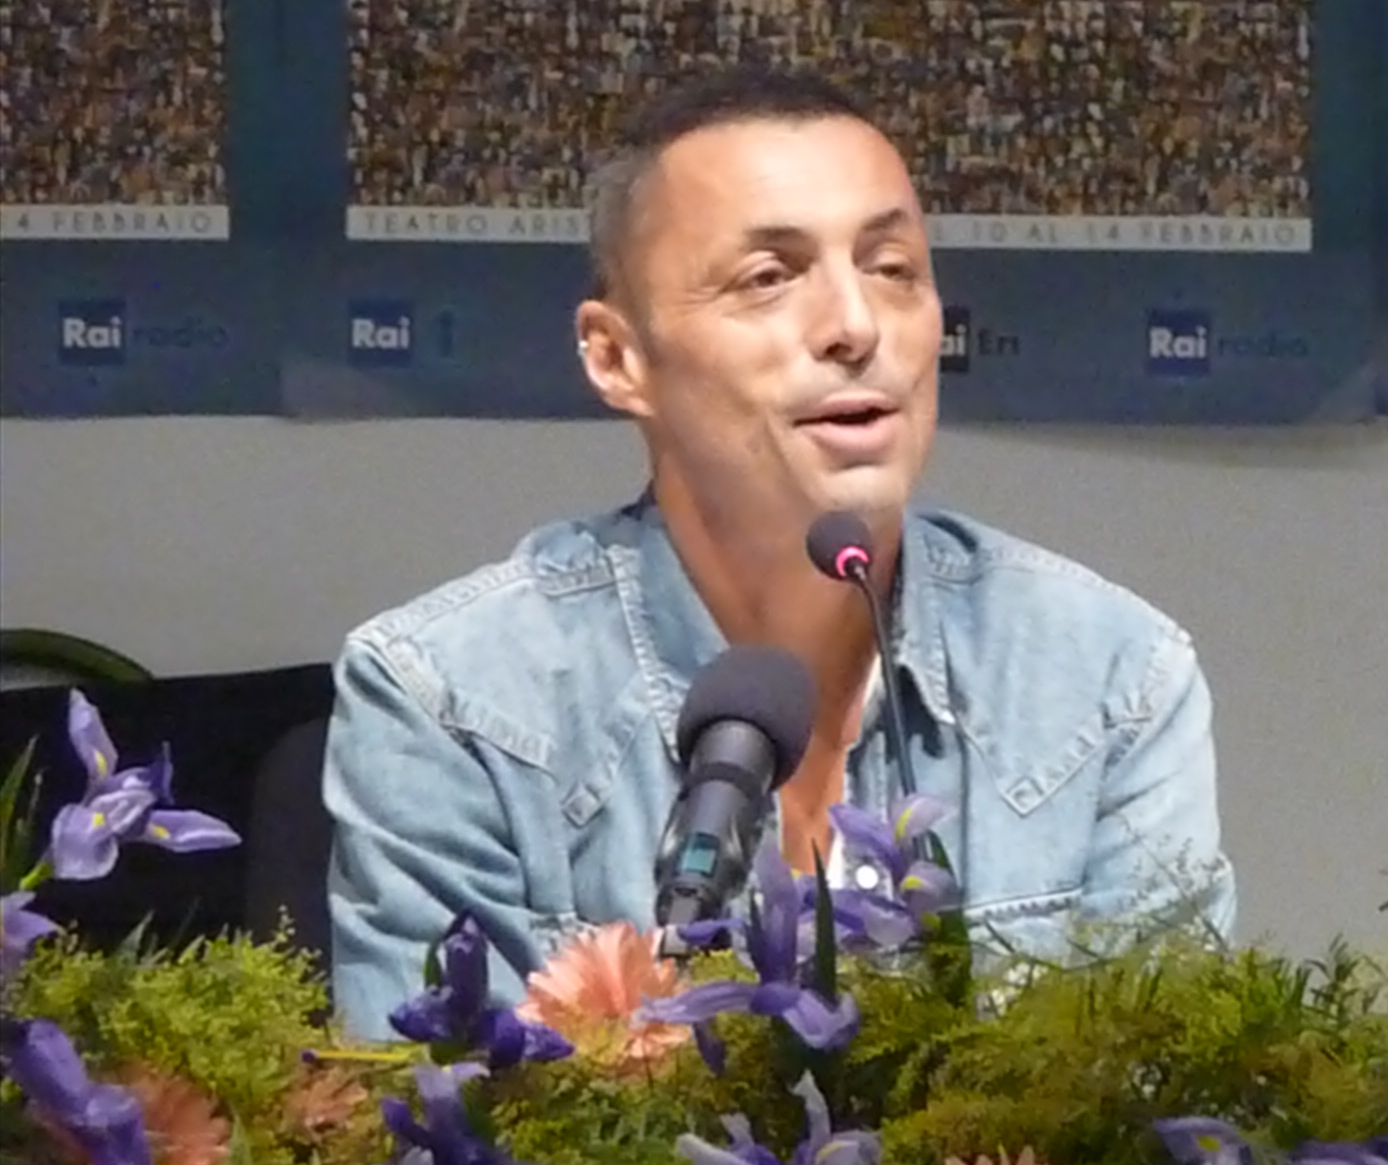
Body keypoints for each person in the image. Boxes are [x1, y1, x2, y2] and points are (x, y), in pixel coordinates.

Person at [322, 63, 1236, 1039]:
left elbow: (1157, 1106)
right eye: (768, 278)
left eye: (892, 269)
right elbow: (448, 1105)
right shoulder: (455, 700)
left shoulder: (1108, 676)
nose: (854, 327)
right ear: (618, 357)